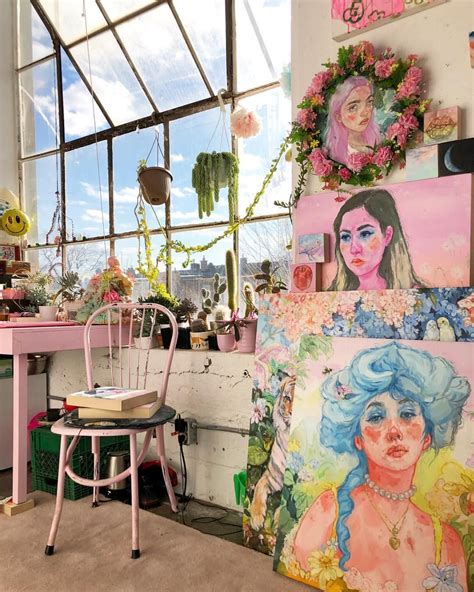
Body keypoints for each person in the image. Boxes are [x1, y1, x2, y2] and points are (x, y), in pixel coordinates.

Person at [283, 341, 470, 591]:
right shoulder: (328, 512)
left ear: (427, 437)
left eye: (407, 414)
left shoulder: (445, 543)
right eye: (376, 417)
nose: (394, 431)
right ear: (358, 439)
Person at [329, 188, 425, 290]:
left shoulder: (418, 295)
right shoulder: (332, 296)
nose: (354, 249)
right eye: (345, 237)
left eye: (365, 234)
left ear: (387, 235)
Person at [324, 76, 382, 166]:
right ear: (338, 116)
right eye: (353, 107)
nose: (365, 112)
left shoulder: (378, 139)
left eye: (369, 102)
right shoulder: (337, 154)